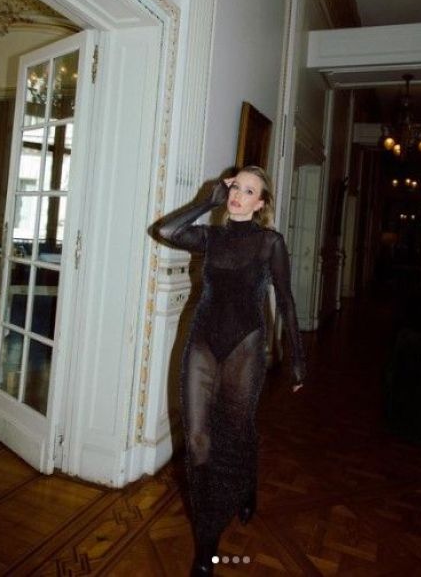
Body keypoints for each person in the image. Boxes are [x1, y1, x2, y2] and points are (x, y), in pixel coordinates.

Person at [150, 166, 305, 576]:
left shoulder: (270, 242)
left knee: (237, 432)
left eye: (248, 190)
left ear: (260, 203)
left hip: (245, 345)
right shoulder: (210, 237)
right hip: (203, 341)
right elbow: (165, 230)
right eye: (235, 186)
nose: (238, 194)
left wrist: (296, 355)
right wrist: (207, 201)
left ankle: (246, 483)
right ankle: (207, 544)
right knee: (198, 439)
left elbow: (286, 300)